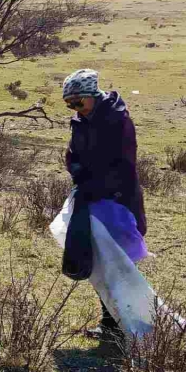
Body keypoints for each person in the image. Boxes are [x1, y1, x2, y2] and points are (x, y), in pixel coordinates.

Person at [62, 68, 147, 339]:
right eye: (69, 104)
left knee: (119, 265)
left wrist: (94, 187)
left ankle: (129, 325)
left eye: (78, 102)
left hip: (117, 200)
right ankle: (111, 325)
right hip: (91, 196)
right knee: (99, 262)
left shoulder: (117, 120)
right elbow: (72, 153)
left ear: (93, 96)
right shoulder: (79, 120)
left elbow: (123, 165)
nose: (75, 108)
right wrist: (76, 170)